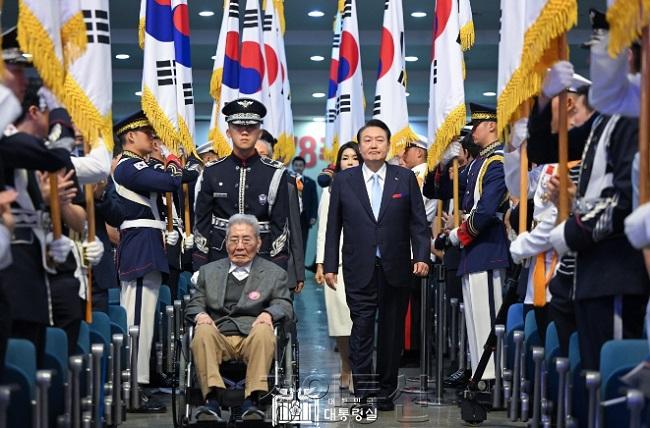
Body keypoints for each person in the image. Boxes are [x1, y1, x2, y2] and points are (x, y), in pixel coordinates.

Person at [324, 119, 430, 411]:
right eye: (367, 140)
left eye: (379, 139)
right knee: (361, 330)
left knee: (392, 332)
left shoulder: (404, 178)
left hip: (396, 267)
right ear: (360, 147)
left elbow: (418, 223)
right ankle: (364, 389)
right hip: (359, 267)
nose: (373, 145)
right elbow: (333, 226)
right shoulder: (344, 180)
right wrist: (330, 264)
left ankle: (386, 389)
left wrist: (421, 256)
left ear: (388, 144)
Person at [185, 214, 293, 422]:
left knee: (264, 330)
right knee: (202, 331)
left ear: (259, 242)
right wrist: (200, 315)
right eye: (234, 240)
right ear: (226, 243)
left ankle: (252, 400)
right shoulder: (208, 272)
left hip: (252, 335)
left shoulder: (274, 273)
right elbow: (196, 303)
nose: (240, 246)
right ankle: (212, 401)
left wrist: (268, 313)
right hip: (218, 335)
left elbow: (284, 304)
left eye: (246, 240)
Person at [112, 111, 183, 412]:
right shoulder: (128, 166)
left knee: (144, 320)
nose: (151, 137)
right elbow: (170, 182)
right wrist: (173, 163)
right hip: (140, 245)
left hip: (147, 245)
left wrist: (173, 166)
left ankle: (138, 384)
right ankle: (133, 388)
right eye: (146, 132)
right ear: (130, 136)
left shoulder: (137, 164)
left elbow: (176, 179)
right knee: (136, 321)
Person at [446, 104, 509, 383]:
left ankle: (490, 380)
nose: (473, 131)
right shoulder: (479, 163)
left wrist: (459, 233)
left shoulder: (497, 161)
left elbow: (484, 211)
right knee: (475, 321)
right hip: (474, 250)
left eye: (478, 125)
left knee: (487, 318)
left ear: (492, 126)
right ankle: (480, 376)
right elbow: (449, 188)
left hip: (488, 248)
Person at [193, 98, 290, 270]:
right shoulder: (212, 171)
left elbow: (280, 224)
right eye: (238, 127)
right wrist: (200, 264)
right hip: (219, 257)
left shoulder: (275, 172)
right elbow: (202, 221)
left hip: (263, 258)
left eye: (251, 127)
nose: (244, 132)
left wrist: (279, 267)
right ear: (228, 131)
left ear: (259, 132)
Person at [315, 142, 359, 390]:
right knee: (341, 321)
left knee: (360, 320)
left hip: (363, 262)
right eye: (345, 158)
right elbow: (324, 229)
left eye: (355, 157)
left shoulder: (369, 187)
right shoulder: (331, 190)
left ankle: (359, 368)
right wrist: (321, 262)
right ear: (339, 163)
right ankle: (346, 365)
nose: (350, 161)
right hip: (337, 264)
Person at [257, 130, 305, 293]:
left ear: (271, 157)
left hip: (282, 265)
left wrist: (299, 273)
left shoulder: (287, 184)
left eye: (263, 154)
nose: (259, 157)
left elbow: (295, 230)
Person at [291, 156, 318, 257]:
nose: (298, 167)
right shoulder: (287, 181)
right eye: (296, 165)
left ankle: (300, 269)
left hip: (304, 219)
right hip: (290, 218)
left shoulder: (310, 183)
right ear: (293, 166)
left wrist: (314, 216)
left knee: (302, 244)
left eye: (300, 165)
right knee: (290, 245)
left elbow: (314, 201)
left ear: (304, 167)